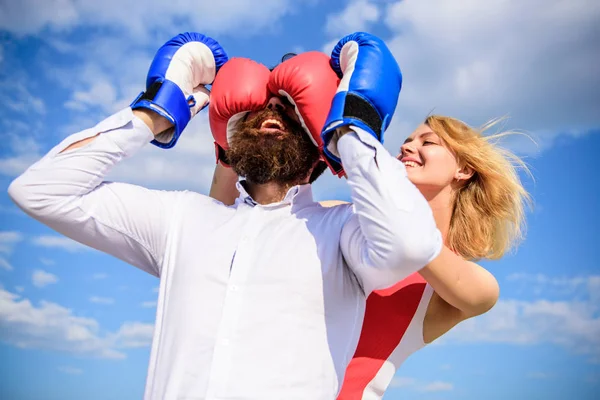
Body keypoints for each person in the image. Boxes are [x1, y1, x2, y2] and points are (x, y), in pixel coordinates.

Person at [8, 31, 443, 400]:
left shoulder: (344, 231)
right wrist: (157, 110)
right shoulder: (181, 217)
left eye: (293, 106)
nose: (272, 111)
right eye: (260, 104)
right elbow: (40, 190)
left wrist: (352, 125)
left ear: (320, 132)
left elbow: (411, 242)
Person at [211, 116, 530, 399]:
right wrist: (229, 139)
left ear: (464, 169)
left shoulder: (471, 286)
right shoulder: (337, 217)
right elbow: (226, 231)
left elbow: (411, 242)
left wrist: (355, 148)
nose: (407, 147)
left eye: (427, 142)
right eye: (406, 141)